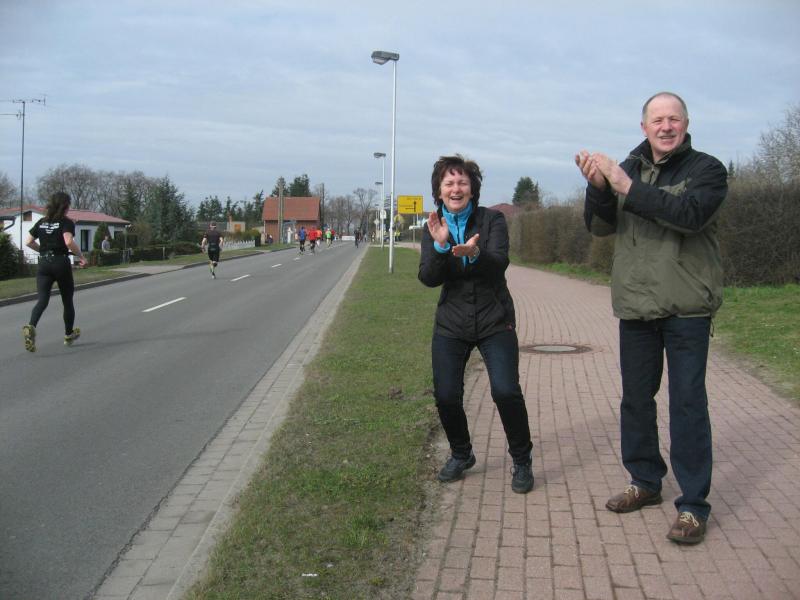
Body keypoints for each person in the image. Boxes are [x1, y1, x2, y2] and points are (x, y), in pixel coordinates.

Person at [575, 92, 728, 544]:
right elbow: (599, 227)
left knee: (687, 404)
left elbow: (690, 216)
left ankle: (693, 506)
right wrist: (598, 188)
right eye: (657, 120)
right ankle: (644, 481)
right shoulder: (629, 167)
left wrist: (625, 185)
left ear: (686, 124)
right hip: (636, 306)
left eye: (673, 119)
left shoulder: (707, 170)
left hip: (687, 308)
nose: (666, 127)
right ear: (644, 127)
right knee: (636, 400)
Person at [418, 154, 534, 494]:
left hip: (494, 319)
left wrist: (474, 254)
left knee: (506, 391)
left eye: (462, 182)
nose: (456, 189)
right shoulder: (432, 226)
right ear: (439, 190)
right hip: (451, 323)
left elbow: (499, 262)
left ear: (473, 188)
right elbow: (428, 278)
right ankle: (461, 453)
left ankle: (522, 459)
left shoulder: (492, 220)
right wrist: (441, 246)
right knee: (446, 395)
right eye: (449, 183)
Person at [22, 191, 88, 352]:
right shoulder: (66, 222)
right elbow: (68, 241)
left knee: (42, 300)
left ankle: (31, 326)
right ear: (65, 206)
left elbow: (28, 241)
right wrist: (81, 257)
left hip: (44, 264)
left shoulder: (41, 222)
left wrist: (43, 250)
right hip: (60, 263)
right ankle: (68, 335)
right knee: (67, 300)